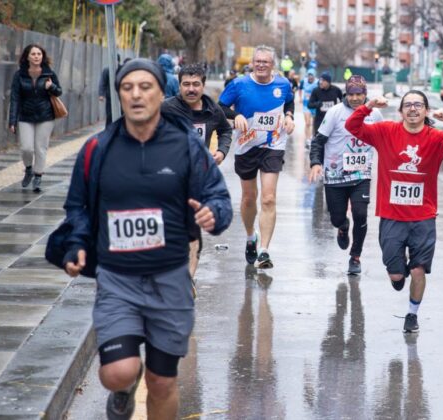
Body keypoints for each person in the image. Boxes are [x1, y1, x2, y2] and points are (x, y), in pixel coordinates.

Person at [60, 58, 232, 419]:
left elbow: (218, 197)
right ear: (118, 95)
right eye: (127, 88)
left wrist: (214, 213)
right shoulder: (97, 149)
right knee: (116, 372)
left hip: (170, 279)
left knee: (163, 382)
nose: (136, 95)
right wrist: (75, 245)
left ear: (159, 93)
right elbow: (77, 208)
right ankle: (126, 383)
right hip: (117, 279)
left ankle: (144, 379)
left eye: (145, 87)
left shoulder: (185, 146)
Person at [345, 90, 443, 333]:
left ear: (426, 111)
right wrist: (369, 105)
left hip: (423, 217)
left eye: (418, 105)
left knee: (418, 269)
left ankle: (412, 315)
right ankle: (397, 274)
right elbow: (353, 125)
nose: (413, 109)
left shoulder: (436, 138)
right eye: (408, 105)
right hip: (392, 216)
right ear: (401, 110)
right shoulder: (385, 131)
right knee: (396, 274)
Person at [218, 45, 295, 269]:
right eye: (258, 61)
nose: (261, 65)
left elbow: (289, 100)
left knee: (269, 198)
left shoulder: (282, 83)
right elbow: (220, 107)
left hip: (273, 143)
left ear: (273, 65)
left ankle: (264, 251)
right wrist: (236, 115)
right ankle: (251, 236)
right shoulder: (239, 84)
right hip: (246, 145)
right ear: (252, 63)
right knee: (249, 198)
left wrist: (289, 115)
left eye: (266, 61)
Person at [161, 63, 233, 281]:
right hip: (167, 178)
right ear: (179, 86)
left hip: (197, 180)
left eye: (195, 84)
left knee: (192, 231)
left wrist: (221, 151)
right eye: (186, 84)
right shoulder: (166, 108)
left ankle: (187, 280)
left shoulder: (213, 111)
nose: (190, 89)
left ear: (203, 85)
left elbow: (225, 130)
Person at [308, 75, 383, 274]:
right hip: (335, 176)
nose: (356, 98)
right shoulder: (335, 113)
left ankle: (355, 256)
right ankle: (342, 226)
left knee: (360, 214)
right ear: (346, 94)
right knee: (336, 218)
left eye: (359, 94)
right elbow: (318, 141)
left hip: (361, 175)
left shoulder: (374, 114)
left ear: (365, 94)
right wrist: (315, 163)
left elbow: (385, 140)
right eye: (351, 94)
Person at [8, 43, 63, 193]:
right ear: (27, 57)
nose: (36, 56)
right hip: (25, 116)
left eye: (39, 54)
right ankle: (28, 169)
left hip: (45, 116)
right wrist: (12, 120)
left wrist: (51, 87)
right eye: (33, 54)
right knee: (26, 148)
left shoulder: (49, 73)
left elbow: (59, 92)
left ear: (42, 56)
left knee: (40, 148)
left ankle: (38, 176)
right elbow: (15, 98)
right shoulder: (19, 75)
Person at [308, 71, 343, 136]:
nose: (321, 82)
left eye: (323, 81)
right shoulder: (316, 90)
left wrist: (339, 108)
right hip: (320, 120)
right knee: (318, 139)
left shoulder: (336, 90)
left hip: (332, 119)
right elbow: (309, 105)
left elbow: (343, 100)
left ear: (328, 82)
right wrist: (317, 104)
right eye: (320, 80)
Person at [299, 69, 318, 145]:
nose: (310, 77)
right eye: (309, 75)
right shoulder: (303, 81)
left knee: (314, 123)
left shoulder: (317, 82)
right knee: (307, 123)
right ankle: (307, 139)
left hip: (314, 105)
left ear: (314, 76)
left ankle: (313, 137)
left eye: (312, 75)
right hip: (306, 105)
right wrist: (300, 97)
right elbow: (300, 89)